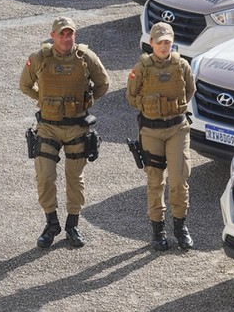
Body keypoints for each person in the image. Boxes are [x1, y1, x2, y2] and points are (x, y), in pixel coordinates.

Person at [19, 16, 110, 248]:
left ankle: (72, 225)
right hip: (48, 127)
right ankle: (51, 223)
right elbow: (24, 85)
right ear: (53, 35)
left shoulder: (86, 57)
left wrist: (87, 100)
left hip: (77, 127)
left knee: (75, 177)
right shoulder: (39, 58)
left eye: (70, 33)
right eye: (62, 34)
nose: (66, 38)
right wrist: (41, 99)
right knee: (45, 176)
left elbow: (104, 84)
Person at [125, 22, 197, 251]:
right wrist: (151, 108)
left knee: (178, 181)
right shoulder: (141, 68)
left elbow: (190, 90)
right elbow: (131, 96)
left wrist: (172, 109)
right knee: (155, 181)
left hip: (177, 129)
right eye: (160, 42)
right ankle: (158, 231)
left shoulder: (182, 65)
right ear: (151, 43)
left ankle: (180, 227)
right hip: (151, 131)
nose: (164, 46)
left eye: (168, 42)